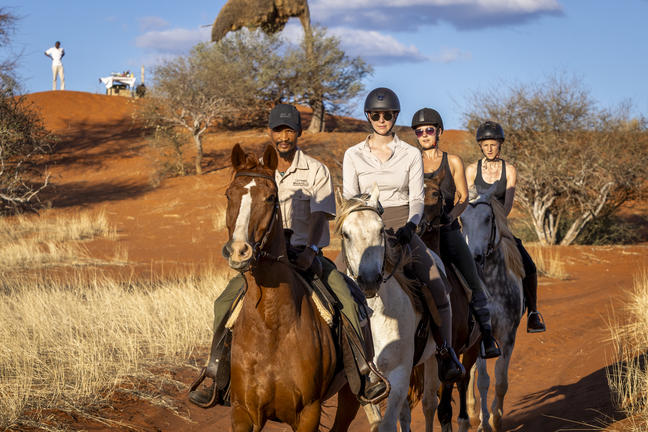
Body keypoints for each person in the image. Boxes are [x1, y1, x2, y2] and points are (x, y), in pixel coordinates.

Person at [189, 104, 388, 408]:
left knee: (348, 300)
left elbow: (321, 217)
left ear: (298, 133)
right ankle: (215, 374)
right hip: (264, 261)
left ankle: (364, 371)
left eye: (289, 131)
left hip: (306, 257)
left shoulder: (316, 170)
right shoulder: (258, 172)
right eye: (278, 131)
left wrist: (311, 251)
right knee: (223, 304)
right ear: (270, 133)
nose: (283, 137)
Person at [342, 88, 465, 383]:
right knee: (334, 283)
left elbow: (417, 198)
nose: (381, 120)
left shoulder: (410, 154)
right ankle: (339, 357)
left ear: (395, 116)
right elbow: (349, 199)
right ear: (368, 116)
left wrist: (412, 224)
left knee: (437, 282)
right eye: (376, 115)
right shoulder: (352, 154)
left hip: (401, 230)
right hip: (365, 232)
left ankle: (445, 352)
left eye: (387, 115)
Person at [411, 108, 502, 359]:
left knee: (473, 279)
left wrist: (451, 216)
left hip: (447, 231)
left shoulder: (452, 161)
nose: (424, 135)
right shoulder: (411, 161)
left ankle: (486, 336)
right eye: (419, 131)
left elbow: (462, 196)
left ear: (439, 131)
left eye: (429, 130)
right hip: (418, 233)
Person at [465, 121, 546, 333]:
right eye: (485, 145)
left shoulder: (509, 170)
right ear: (480, 146)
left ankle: (533, 312)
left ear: (500, 144)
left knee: (528, 265)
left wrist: (496, 221)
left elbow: (508, 204)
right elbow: (468, 201)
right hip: (475, 227)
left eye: (493, 144)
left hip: (499, 226)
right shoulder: (472, 170)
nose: (489, 148)